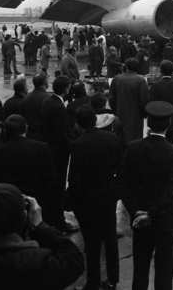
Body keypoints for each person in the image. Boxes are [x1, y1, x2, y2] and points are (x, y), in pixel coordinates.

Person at [122, 101, 173, 290]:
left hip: (139, 219)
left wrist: (137, 212)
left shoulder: (132, 149)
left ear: (148, 122)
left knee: (140, 271)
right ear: (169, 123)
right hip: (165, 220)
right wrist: (153, 213)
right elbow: (172, 191)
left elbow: (124, 185)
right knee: (164, 274)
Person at [68, 105, 122, 290]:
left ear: (79, 124)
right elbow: (120, 167)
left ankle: (93, 281)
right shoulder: (112, 139)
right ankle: (113, 278)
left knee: (91, 243)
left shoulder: (77, 145)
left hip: (87, 199)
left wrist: (72, 200)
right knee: (110, 238)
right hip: (107, 196)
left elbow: (74, 177)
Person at [0, 115, 57, 223]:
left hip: (10, 203)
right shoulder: (41, 148)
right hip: (38, 200)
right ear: (26, 128)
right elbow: (50, 177)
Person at [40, 75, 77, 232]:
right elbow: (61, 132)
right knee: (59, 185)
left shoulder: (49, 101)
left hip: (49, 148)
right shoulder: (58, 107)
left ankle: (51, 217)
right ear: (66, 88)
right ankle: (58, 220)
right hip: (58, 152)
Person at [108, 57, 149, 145]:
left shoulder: (117, 79)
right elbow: (144, 100)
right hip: (136, 116)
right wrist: (144, 114)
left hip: (120, 114)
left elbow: (111, 98)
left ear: (126, 67)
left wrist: (115, 111)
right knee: (135, 140)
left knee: (120, 138)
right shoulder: (141, 80)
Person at [149, 60, 173, 146]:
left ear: (161, 71)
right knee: (172, 142)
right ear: (172, 71)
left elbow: (151, 104)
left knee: (158, 144)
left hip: (158, 120)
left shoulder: (155, 86)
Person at [19, 74, 51, 141]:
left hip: (30, 134)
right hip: (45, 135)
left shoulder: (26, 98)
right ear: (44, 83)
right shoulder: (49, 98)